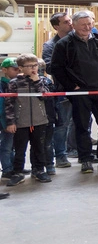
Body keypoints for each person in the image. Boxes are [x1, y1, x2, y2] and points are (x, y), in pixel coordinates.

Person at [50, 10, 98, 173]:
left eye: (89, 24)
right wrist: (71, 86)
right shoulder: (64, 44)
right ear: (74, 25)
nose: (87, 27)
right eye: (83, 25)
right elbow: (56, 68)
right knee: (82, 127)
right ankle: (86, 159)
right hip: (80, 93)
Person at [4, 54, 51, 186]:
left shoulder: (42, 80)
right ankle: (18, 172)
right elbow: (9, 104)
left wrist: (36, 81)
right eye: (29, 66)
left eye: (35, 65)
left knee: (39, 148)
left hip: (39, 120)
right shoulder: (14, 83)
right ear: (20, 68)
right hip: (21, 122)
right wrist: (11, 122)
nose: (33, 68)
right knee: (20, 149)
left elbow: (45, 96)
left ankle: (39, 170)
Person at [41, 12, 74, 169]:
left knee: (82, 122)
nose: (70, 24)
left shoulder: (78, 40)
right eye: (66, 22)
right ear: (56, 26)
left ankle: (79, 151)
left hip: (83, 89)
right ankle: (60, 155)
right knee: (62, 124)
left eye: (70, 20)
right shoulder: (50, 45)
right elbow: (49, 67)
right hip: (62, 89)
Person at [0, 58, 18, 180]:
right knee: (6, 146)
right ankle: (7, 169)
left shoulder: (17, 83)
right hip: (5, 121)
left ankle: (13, 167)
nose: (17, 72)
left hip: (14, 119)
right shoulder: (2, 85)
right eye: (14, 69)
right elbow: (2, 105)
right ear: (4, 70)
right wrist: (6, 123)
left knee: (12, 145)